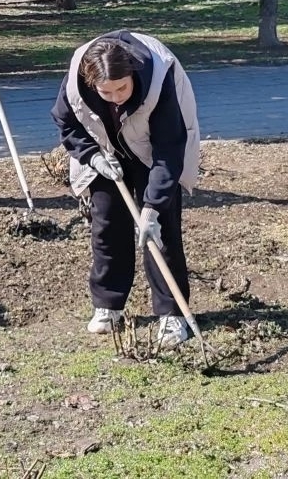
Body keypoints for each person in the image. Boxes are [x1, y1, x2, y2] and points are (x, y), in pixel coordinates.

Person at [51, 30, 200, 347]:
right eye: (106, 92)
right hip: (104, 150)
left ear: (132, 73)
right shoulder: (77, 81)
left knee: (161, 231)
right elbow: (67, 122)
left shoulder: (159, 79)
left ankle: (171, 314)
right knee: (107, 224)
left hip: (153, 150)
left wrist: (152, 209)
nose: (116, 96)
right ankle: (109, 304)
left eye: (122, 88)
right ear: (92, 83)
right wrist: (92, 157)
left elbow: (169, 150)